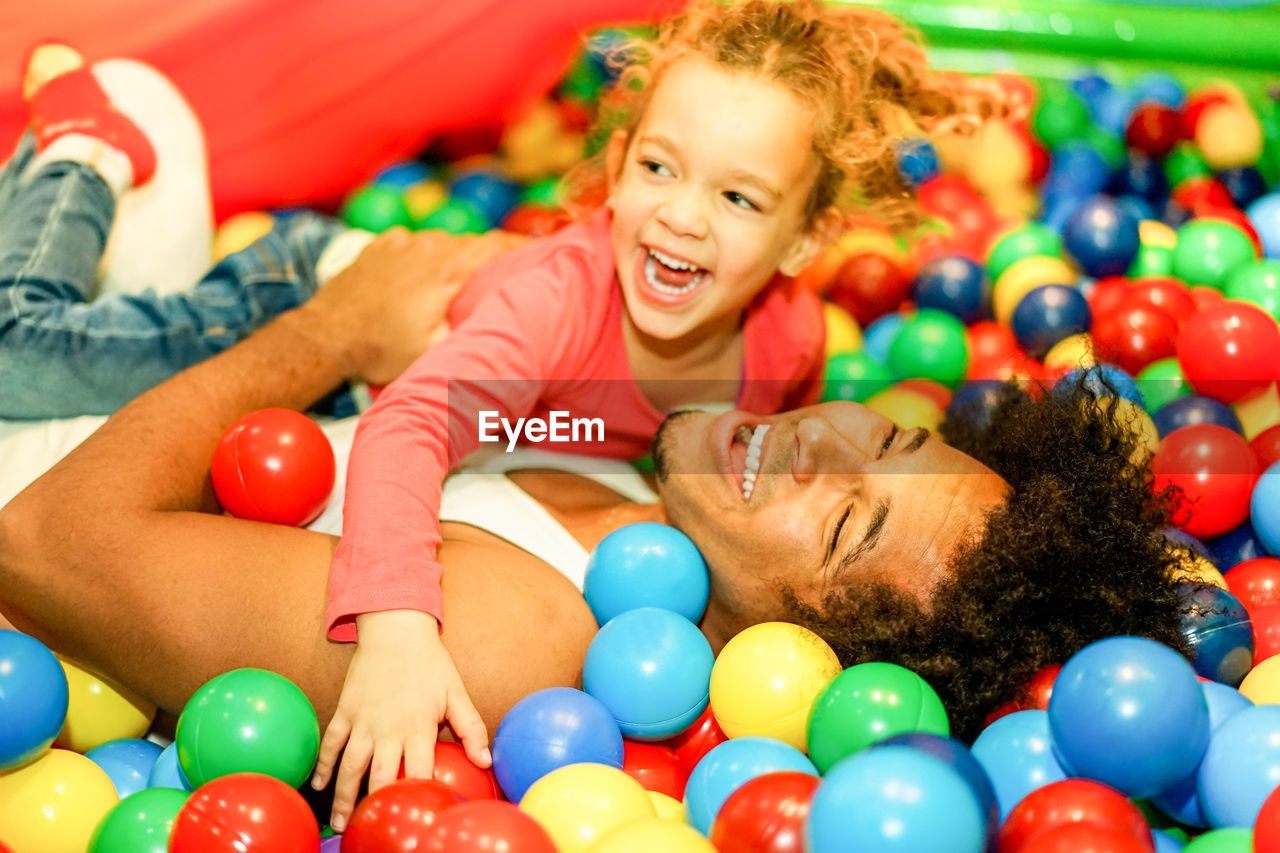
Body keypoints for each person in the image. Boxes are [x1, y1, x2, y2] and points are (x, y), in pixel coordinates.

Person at [0, 226, 1192, 828]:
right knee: (157, 114)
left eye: (838, 531)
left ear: (807, 662)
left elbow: (44, 542)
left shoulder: (508, 644)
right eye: (883, 438)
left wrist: (335, 330)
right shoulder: (648, 479)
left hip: (26, 469)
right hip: (145, 392)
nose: (812, 448)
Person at [321, 0, 1004, 826]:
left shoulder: (786, 339)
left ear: (801, 241)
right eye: (659, 168)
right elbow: (410, 423)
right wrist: (396, 634)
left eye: (740, 199)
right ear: (615, 167)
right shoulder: (556, 309)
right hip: (317, 281)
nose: (682, 214)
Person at [0, 45, 519, 420]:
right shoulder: (571, 335)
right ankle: (89, 149)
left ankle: (78, 145)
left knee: (127, 85)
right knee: (13, 348)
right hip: (319, 301)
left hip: (354, 331)